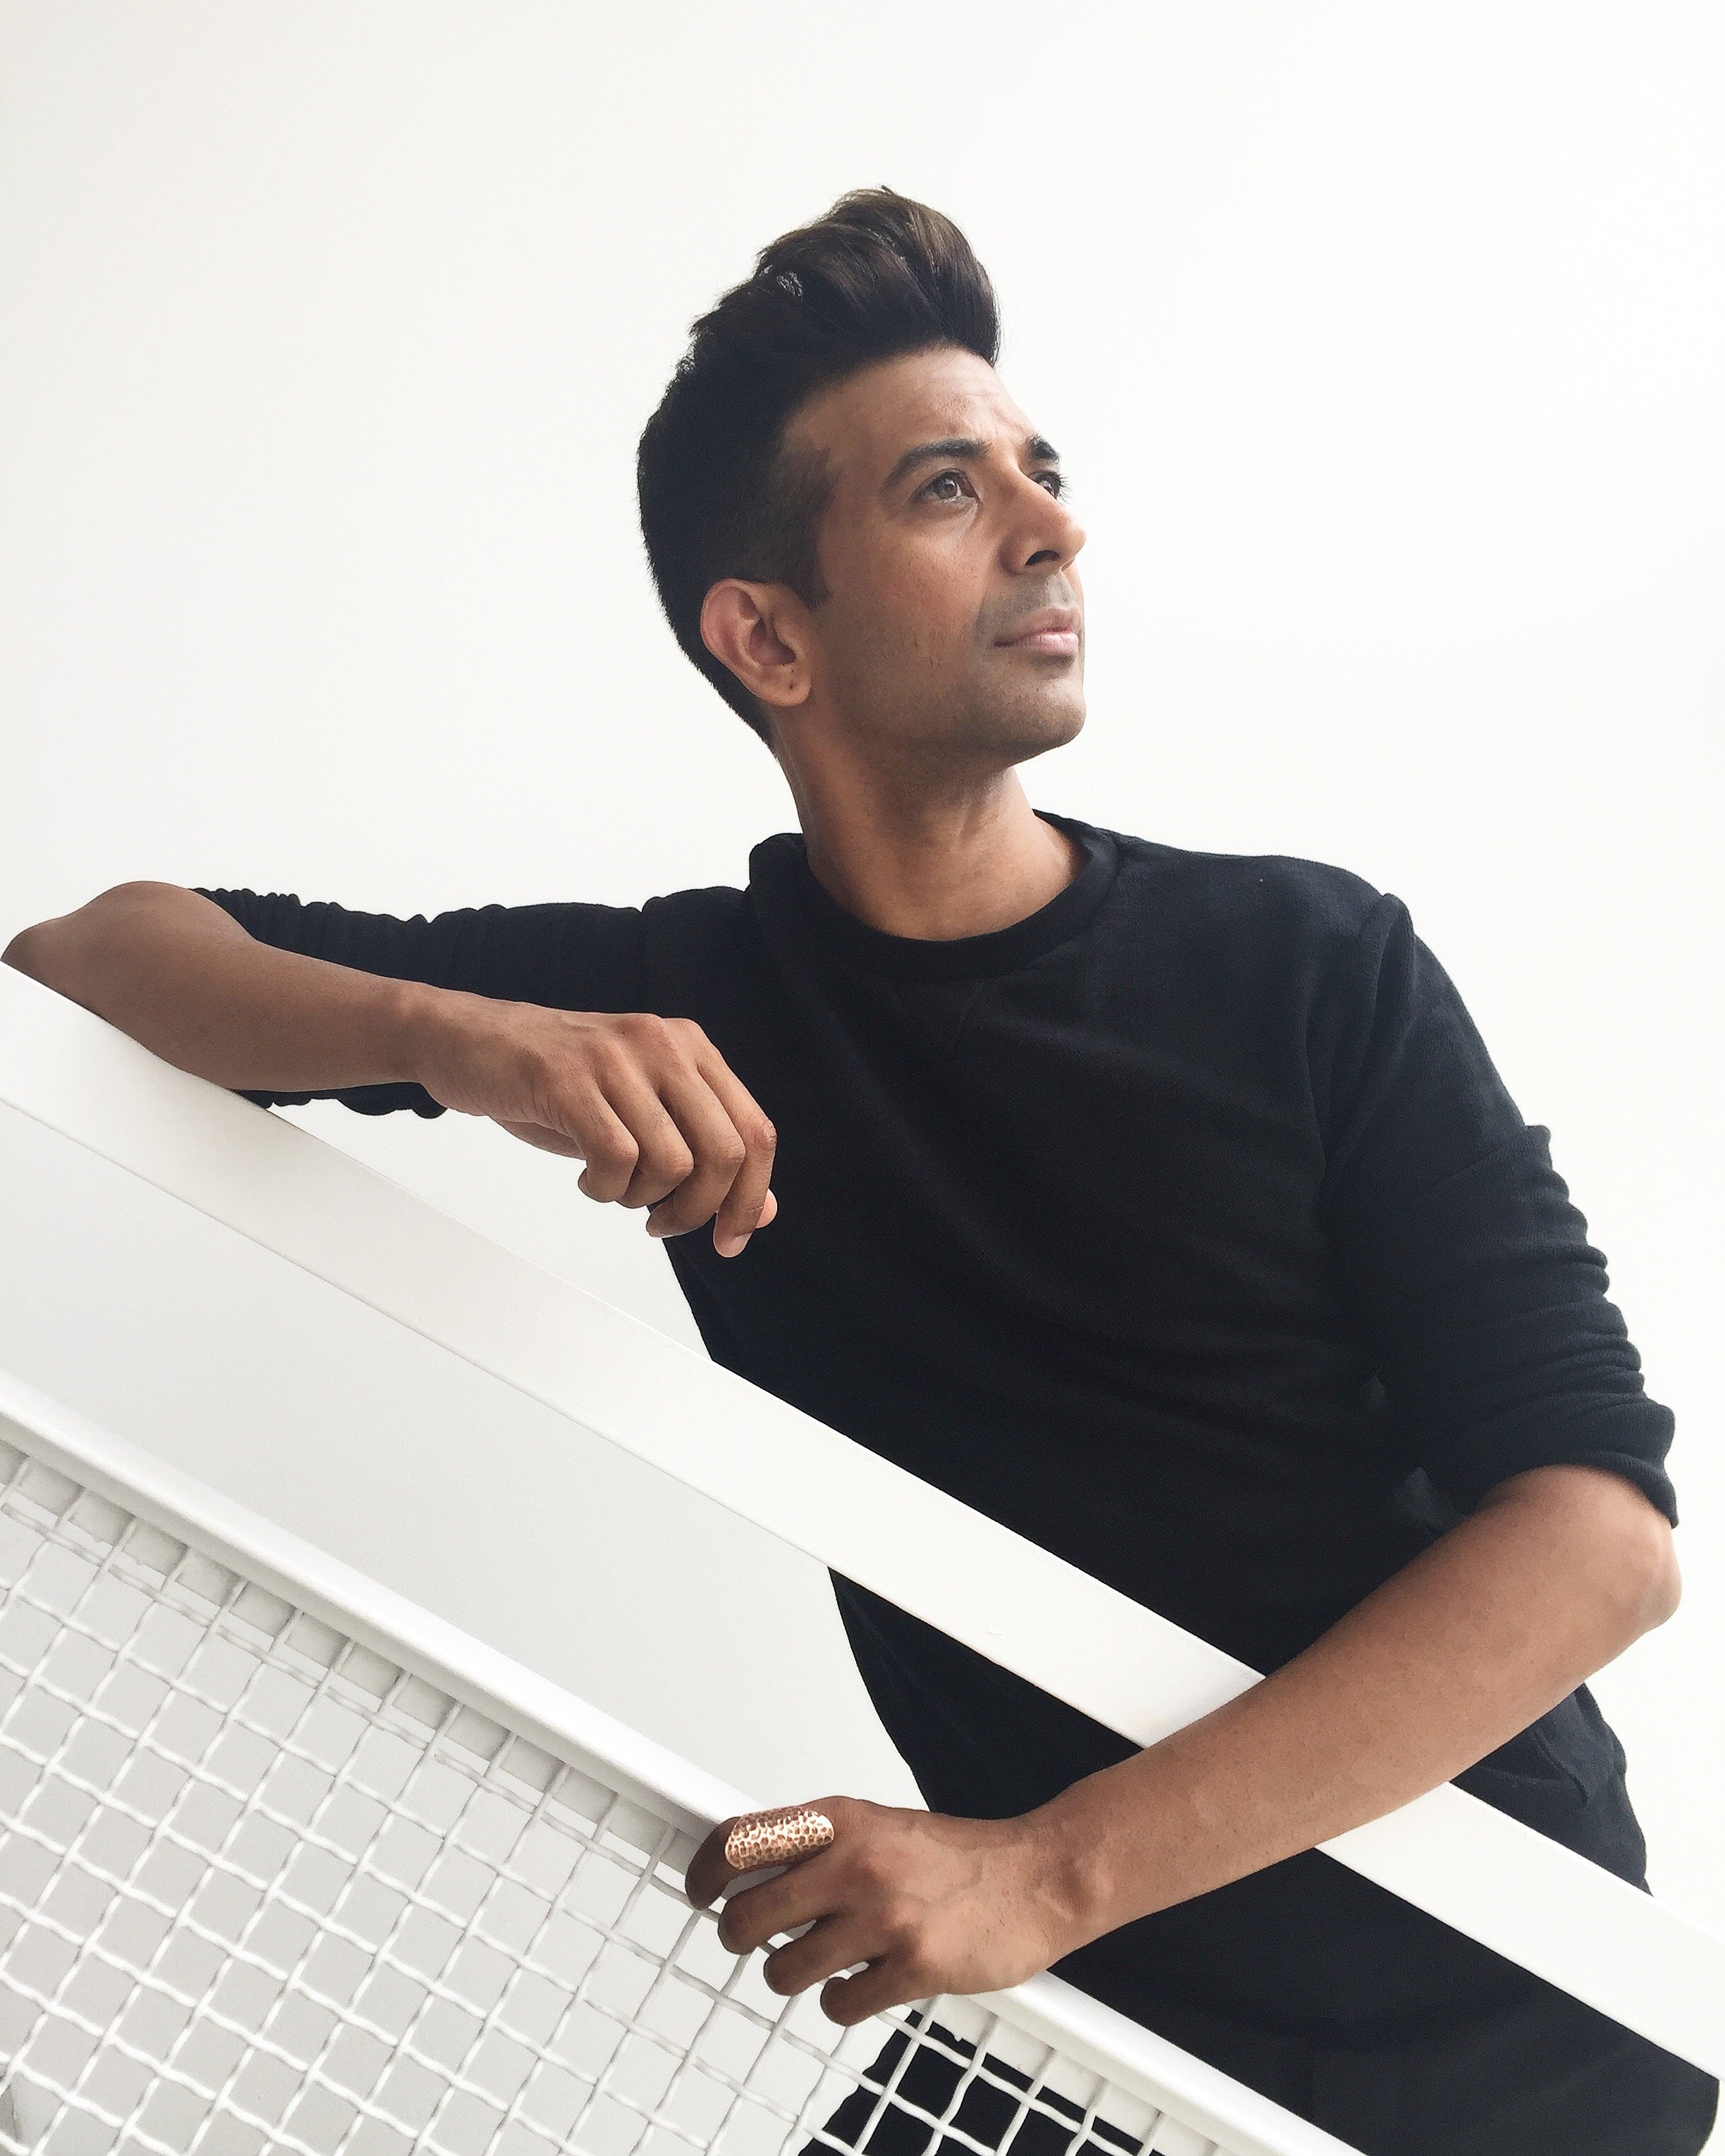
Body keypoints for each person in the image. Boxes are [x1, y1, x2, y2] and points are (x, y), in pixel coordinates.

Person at [5, 190, 1715, 2156]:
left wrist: (1039, 1875)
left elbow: (1601, 1538)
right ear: (768, 637)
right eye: (943, 489)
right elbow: (86, 957)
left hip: (1513, 2028)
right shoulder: (683, 1000)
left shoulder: (1313, 963)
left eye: (1041, 472)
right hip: (1082, 2041)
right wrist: (459, 1034)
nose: (1050, 524)